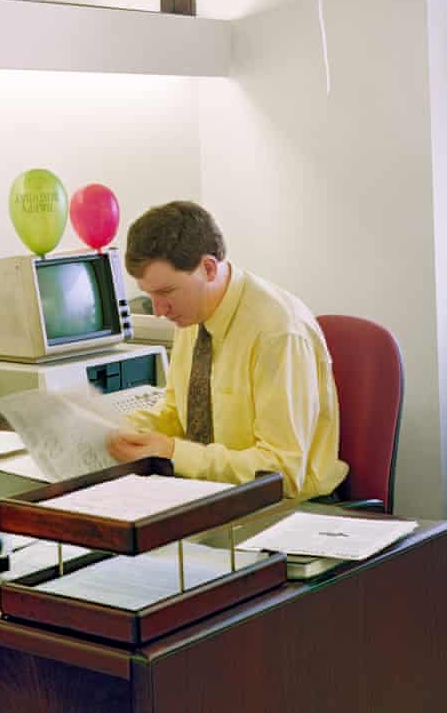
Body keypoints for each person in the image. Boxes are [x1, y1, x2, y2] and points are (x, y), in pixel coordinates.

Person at [107, 201, 347, 500]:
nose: (157, 311)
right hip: (209, 494)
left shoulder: (278, 332)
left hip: (286, 505)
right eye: (150, 295)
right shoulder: (193, 314)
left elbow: (282, 472)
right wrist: (120, 429)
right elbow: (177, 412)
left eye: (166, 292)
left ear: (208, 268)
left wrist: (174, 453)